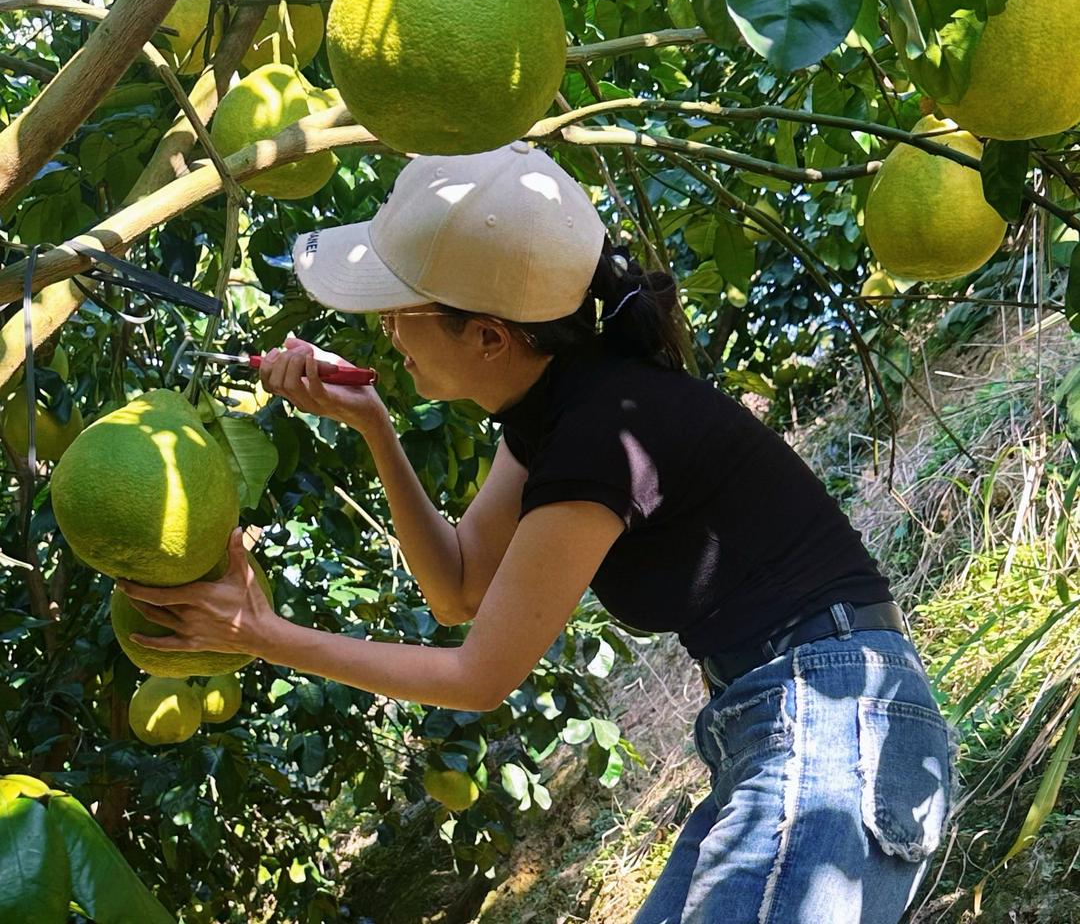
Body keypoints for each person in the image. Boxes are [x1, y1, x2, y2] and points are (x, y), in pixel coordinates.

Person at [119, 141, 956, 922]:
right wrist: (373, 425)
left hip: (830, 719)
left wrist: (262, 635)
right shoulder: (563, 411)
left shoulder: (600, 433)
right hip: (783, 723)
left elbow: (480, 676)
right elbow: (457, 589)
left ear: (489, 336)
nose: (385, 330)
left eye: (397, 310)